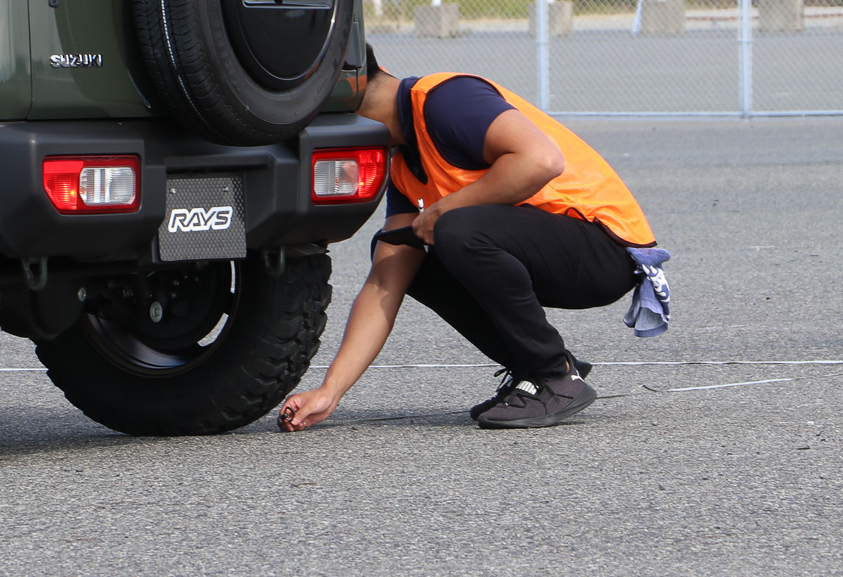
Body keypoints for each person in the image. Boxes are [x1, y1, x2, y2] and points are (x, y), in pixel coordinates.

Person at [278, 47, 670, 431]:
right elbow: (384, 283)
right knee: (407, 251)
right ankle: (533, 370)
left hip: (605, 248)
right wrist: (330, 391)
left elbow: (541, 160)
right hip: (554, 250)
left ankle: (556, 377)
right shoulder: (404, 162)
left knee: (453, 228)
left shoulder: (444, 99)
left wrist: (443, 210)